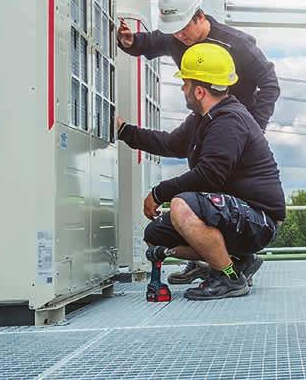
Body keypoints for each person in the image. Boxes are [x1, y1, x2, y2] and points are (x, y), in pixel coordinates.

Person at [115, 42, 285, 300]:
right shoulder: (202, 119)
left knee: (182, 205)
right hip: (234, 216)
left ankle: (229, 277)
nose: (183, 88)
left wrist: (159, 193)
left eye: (185, 83)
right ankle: (239, 261)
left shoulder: (229, 120)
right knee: (156, 236)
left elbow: (209, 175)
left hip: (259, 219)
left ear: (199, 91)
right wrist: (124, 131)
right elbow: (169, 143)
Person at [117, 0, 280, 131]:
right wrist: (130, 41)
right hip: (204, 122)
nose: (179, 35)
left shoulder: (238, 44)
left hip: (238, 126)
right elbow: (149, 42)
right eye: (174, 30)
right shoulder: (174, 38)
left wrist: (256, 126)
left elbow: (270, 83)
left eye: (183, 27)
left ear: (200, 17)